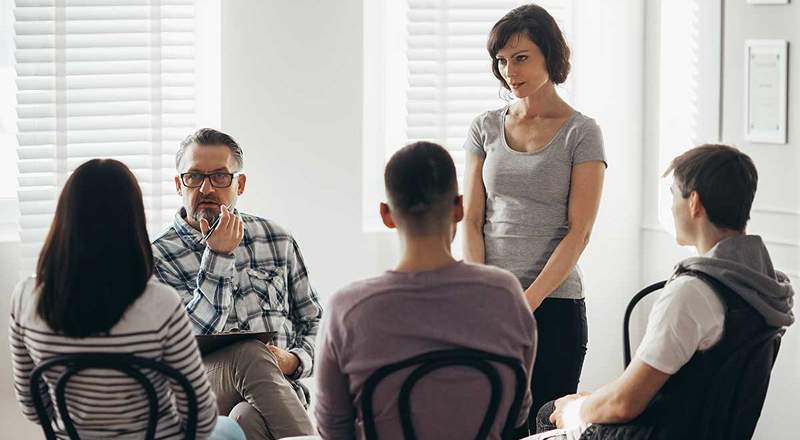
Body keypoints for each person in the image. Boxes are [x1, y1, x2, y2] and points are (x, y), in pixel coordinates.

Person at [539, 145, 795, 439]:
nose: (671, 206)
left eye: (673, 194)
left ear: (694, 203)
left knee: (550, 411)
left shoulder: (693, 292)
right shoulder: (765, 287)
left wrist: (576, 410)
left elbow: (623, 404)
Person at [9, 159, 244, 440]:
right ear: (133, 220)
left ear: (64, 217)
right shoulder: (161, 303)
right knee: (230, 427)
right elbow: (201, 419)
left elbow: (34, 407)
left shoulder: (26, 298)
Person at [315, 141, 537, 439]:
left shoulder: (347, 310)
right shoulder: (506, 294)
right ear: (459, 207)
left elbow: (333, 430)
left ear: (386, 214)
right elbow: (517, 412)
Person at [462, 3, 607, 428]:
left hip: (555, 308)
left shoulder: (582, 132)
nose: (509, 70)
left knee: (544, 428)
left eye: (521, 58)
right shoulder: (484, 126)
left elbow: (579, 232)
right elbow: (472, 219)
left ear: (550, 55)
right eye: (502, 60)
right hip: (491, 305)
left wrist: (526, 302)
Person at [151, 128, 320, 440]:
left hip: (276, 393)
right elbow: (187, 338)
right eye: (194, 177)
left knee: (246, 417)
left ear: (239, 183)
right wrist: (218, 254)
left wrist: (294, 360)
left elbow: (311, 319)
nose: (206, 188)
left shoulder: (276, 238)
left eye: (219, 177)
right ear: (178, 184)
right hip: (199, 390)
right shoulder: (155, 255)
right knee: (249, 355)